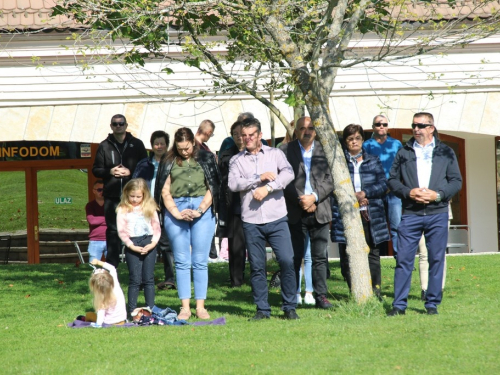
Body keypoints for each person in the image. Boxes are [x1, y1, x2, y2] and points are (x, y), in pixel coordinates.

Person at [387, 112, 462, 316]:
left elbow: (456, 181)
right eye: (414, 125)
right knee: (403, 259)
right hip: (411, 213)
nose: (416, 129)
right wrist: (408, 192)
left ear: (431, 128)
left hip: (437, 213)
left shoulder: (445, 152)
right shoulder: (404, 152)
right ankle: (399, 305)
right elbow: (392, 180)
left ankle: (432, 304)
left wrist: (437, 195)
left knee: (436, 258)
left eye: (421, 125)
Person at [228, 117, 298, 320]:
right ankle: (262, 310)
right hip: (251, 220)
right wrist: (257, 180)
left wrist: (267, 188)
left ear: (260, 135)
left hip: (277, 217)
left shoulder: (276, 154)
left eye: (251, 135)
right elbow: (233, 184)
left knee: (286, 260)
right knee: (257, 266)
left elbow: (288, 174)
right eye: (243, 135)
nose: (247, 139)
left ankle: (289, 307)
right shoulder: (236, 160)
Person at [155, 127, 220, 320]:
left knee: (200, 260)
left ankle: (201, 306)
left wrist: (200, 209)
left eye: (187, 148)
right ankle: (185, 307)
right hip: (177, 208)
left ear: (193, 142)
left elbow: (213, 188)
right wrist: (175, 212)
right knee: (182, 261)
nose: (184, 152)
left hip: (202, 208)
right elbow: (164, 190)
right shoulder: (168, 160)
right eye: (180, 148)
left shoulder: (207, 158)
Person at [280, 116, 334, 309]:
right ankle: (292, 295)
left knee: (320, 257)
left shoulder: (326, 150)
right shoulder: (285, 150)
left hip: (320, 209)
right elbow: (283, 180)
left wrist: (315, 197)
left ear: (316, 130)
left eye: (311, 128)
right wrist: (302, 199)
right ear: (296, 131)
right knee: (294, 256)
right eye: (302, 128)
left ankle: (321, 296)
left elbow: (331, 178)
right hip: (295, 209)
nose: (307, 131)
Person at [331, 124, 389, 300]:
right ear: (345, 142)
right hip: (347, 213)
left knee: (372, 253)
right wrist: (352, 197)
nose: (354, 142)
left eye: (357, 138)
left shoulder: (373, 160)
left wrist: (365, 194)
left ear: (362, 140)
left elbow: (383, 184)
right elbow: (334, 186)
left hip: (369, 212)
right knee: (347, 256)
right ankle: (355, 292)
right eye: (350, 139)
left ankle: (376, 292)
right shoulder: (338, 162)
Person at [92, 114, 148, 267]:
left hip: (134, 196)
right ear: (111, 126)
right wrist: (110, 172)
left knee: (136, 228)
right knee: (112, 230)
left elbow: (146, 166)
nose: (118, 126)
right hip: (112, 195)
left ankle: (137, 264)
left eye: (121, 123)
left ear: (126, 125)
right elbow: (96, 169)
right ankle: (112, 266)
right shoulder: (104, 145)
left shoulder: (136, 144)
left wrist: (131, 172)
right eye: (115, 124)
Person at [133, 130, 176, 290]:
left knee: (166, 244)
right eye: (156, 143)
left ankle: (169, 279)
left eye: (162, 143)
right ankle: (144, 280)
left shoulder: (173, 162)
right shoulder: (144, 164)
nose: (159, 146)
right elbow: (136, 184)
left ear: (167, 145)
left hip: (166, 207)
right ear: (151, 146)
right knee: (146, 242)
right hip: (147, 208)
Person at [116, 178, 161, 314]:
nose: (135, 199)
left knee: (148, 278)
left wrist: (153, 243)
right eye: (132, 196)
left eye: (138, 196)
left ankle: (150, 309)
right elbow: (121, 231)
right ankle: (132, 310)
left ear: (144, 195)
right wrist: (130, 245)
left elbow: (156, 227)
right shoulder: (122, 209)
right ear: (126, 194)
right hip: (132, 244)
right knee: (135, 279)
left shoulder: (150, 208)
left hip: (149, 243)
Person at [363, 114, 403, 258]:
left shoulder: (396, 144)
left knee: (397, 226)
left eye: (384, 124)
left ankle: (401, 259)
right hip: (374, 192)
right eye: (378, 124)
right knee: (375, 227)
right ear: (373, 127)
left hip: (393, 192)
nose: (381, 127)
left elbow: (402, 166)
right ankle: (374, 259)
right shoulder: (366, 145)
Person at [218, 121, 247, 287]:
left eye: (242, 134)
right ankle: (236, 279)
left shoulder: (257, 154)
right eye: (235, 134)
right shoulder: (227, 154)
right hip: (235, 205)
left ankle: (257, 276)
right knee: (236, 244)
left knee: (255, 244)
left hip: (255, 205)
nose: (239, 137)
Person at [88, 259, 127, 327]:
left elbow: (101, 314)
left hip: (109, 322)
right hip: (122, 320)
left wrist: (98, 324)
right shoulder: (115, 285)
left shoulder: (102, 297)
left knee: (89, 315)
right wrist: (98, 262)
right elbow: (112, 268)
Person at [85, 179, 107, 263]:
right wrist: (107, 219)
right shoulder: (90, 205)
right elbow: (92, 221)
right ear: (94, 191)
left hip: (110, 239)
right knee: (93, 267)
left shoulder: (111, 204)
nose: (102, 192)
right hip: (95, 240)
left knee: (112, 267)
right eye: (99, 190)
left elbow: (115, 220)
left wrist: (99, 220)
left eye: (104, 190)